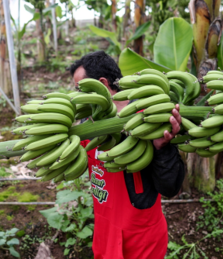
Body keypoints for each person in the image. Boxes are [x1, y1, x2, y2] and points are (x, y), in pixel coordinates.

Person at [69, 51, 184, 259]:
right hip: (104, 236)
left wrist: (162, 148)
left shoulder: (148, 119)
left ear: (102, 84)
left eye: (80, 89)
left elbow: (170, 187)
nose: (76, 97)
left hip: (142, 240)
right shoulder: (87, 127)